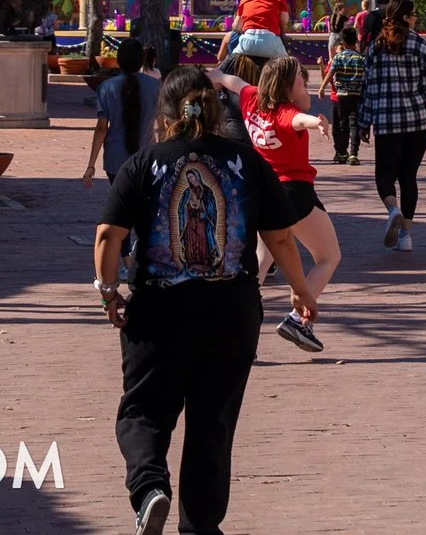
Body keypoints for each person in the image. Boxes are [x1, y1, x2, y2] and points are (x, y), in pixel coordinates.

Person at [95, 66, 315, 535]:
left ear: (168, 112)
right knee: (212, 421)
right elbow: (278, 236)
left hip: (159, 311)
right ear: (214, 109)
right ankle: (200, 525)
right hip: (230, 312)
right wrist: (299, 287)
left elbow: (107, 235)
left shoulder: (144, 163)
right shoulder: (245, 162)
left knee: (144, 412)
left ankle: (150, 485)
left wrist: (109, 291)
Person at [227, 56, 337, 353]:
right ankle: (298, 320)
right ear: (289, 89)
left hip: (262, 193)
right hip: (294, 194)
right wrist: (319, 123)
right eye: (304, 82)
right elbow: (300, 120)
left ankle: (231, 326)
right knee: (328, 256)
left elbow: (231, 81)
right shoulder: (287, 113)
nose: (308, 88)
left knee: (262, 261)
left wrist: (207, 77)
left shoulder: (251, 99)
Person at [360, 0, 426, 252]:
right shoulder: (420, 45)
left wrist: (364, 122)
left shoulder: (376, 47)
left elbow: (368, 88)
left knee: (384, 175)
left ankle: (392, 208)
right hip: (418, 121)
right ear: (406, 18)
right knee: (409, 176)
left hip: (386, 121)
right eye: (414, 14)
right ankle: (406, 235)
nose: (416, 18)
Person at [85, 39, 162, 182]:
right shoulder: (156, 87)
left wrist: (91, 165)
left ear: (118, 60)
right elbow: (163, 126)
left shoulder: (106, 88)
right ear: (142, 60)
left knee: (120, 202)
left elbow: (101, 128)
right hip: (146, 158)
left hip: (115, 160)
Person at [326, 27, 367, 165]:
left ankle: (342, 152)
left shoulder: (338, 57)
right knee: (355, 124)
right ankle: (354, 154)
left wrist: (321, 88)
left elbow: (330, 74)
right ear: (356, 41)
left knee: (343, 124)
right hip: (356, 95)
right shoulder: (361, 58)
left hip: (341, 95)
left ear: (342, 43)